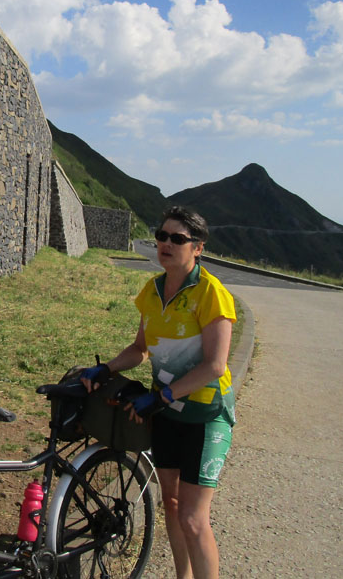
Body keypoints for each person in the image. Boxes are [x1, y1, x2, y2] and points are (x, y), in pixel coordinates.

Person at [81, 206, 236, 579]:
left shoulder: (211, 294)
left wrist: (163, 396)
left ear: (197, 248)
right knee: (170, 502)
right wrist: (107, 368)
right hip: (166, 414)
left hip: (204, 415)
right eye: (162, 235)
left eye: (177, 239)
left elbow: (214, 365)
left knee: (193, 518)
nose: (165, 244)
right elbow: (140, 349)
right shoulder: (151, 291)